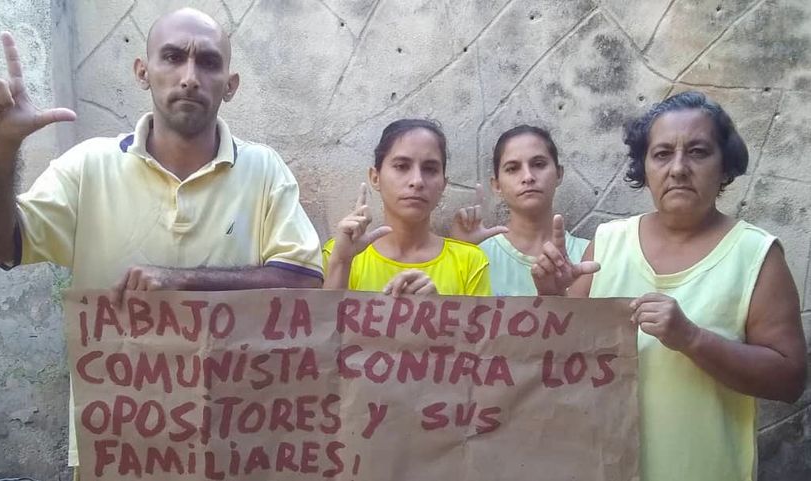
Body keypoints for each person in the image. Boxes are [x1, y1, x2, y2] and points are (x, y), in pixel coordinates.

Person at [0, 8, 323, 471]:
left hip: (237, 445)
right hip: (118, 445)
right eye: (172, 57)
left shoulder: (263, 169)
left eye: (208, 63)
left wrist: (182, 282)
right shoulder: (88, 165)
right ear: (142, 71)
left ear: (230, 85)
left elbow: (303, 283)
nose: (189, 77)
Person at [531, 91, 807, 481]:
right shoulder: (608, 243)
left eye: (697, 152)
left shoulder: (755, 255)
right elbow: (560, 360)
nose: (678, 168)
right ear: (644, 168)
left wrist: (692, 339)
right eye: (662, 154)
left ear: (724, 166)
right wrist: (552, 298)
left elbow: (790, 380)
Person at [322, 119, 491, 296]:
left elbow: (481, 324)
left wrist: (438, 311)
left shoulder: (470, 261)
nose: (417, 181)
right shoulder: (342, 251)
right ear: (375, 177)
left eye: (430, 169)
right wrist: (341, 262)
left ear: (443, 183)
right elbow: (322, 322)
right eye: (402, 166)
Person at [451, 125, 589, 295]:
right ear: (496, 185)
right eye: (512, 168)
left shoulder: (589, 255)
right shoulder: (478, 254)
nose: (528, 177)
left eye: (539, 164)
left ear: (559, 174)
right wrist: (458, 252)